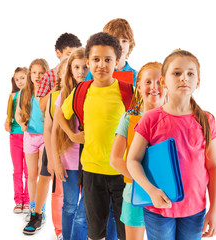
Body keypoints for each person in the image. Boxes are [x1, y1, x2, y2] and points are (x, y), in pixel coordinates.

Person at [127, 50, 216, 240]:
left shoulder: (206, 120)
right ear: (163, 81)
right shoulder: (150, 119)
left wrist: (214, 210)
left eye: (190, 73)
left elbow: (213, 167)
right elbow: (133, 160)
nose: (183, 78)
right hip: (158, 208)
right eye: (176, 73)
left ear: (198, 81)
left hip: (195, 209)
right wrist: (152, 191)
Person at [57, 32, 134, 240]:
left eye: (108, 60)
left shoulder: (128, 92)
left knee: (126, 231)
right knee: (95, 231)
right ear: (88, 62)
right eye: (96, 59)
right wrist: (72, 135)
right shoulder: (81, 90)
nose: (102, 65)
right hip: (91, 171)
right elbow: (59, 115)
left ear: (117, 62)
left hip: (123, 172)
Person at [110, 62, 166, 240]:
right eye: (148, 82)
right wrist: (145, 183)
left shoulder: (175, 117)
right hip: (135, 194)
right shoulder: (129, 118)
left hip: (167, 194)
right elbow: (115, 159)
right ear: (139, 87)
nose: (154, 87)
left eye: (159, 81)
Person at [23, 58, 68, 237]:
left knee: (69, 190)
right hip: (43, 138)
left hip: (69, 145)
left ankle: (66, 226)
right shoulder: (51, 90)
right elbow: (47, 120)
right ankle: (37, 212)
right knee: (43, 175)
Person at [52, 48, 88, 240]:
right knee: (70, 204)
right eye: (76, 67)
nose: (81, 71)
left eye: (84, 67)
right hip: (70, 160)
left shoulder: (94, 93)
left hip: (90, 160)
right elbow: (56, 130)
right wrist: (56, 161)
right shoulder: (64, 95)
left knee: (85, 207)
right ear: (70, 70)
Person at [15, 58, 50, 224]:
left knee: (41, 173)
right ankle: (33, 206)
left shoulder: (48, 92)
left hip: (45, 137)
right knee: (32, 175)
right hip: (29, 136)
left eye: (41, 73)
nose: (37, 76)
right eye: (34, 73)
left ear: (46, 74)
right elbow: (18, 113)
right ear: (30, 75)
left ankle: (40, 209)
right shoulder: (24, 92)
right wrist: (21, 123)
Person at [4, 67, 30, 214]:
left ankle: (27, 201)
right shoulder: (13, 96)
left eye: (22, 78)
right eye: (17, 79)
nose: (20, 81)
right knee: (17, 171)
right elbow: (8, 116)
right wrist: (6, 124)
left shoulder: (30, 94)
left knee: (29, 171)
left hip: (29, 136)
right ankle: (18, 201)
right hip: (14, 136)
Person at [37, 32, 82, 112]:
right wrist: (57, 86)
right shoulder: (49, 75)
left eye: (74, 56)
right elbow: (42, 107)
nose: (71, 59)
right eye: (69, 55)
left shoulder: (82, 73)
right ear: (58, 53)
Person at [85, 18, 137, 85]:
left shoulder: (136, 76)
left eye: (124, 41)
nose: (120, 46)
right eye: (115, 40)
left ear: (130, 45)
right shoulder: (94, 72)